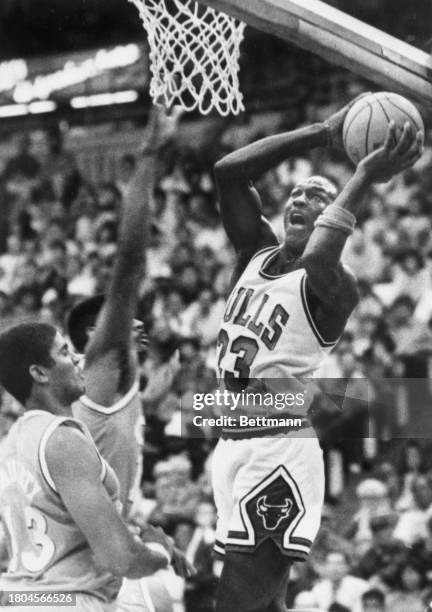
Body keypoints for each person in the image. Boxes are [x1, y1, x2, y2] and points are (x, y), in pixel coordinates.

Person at [212, 94, 423, 612]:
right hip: (231, 442)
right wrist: (323, 133)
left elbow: (320, 252)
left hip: (279, 446)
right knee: (265, 605)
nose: (302, 201)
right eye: (299, 194)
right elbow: (227, 171)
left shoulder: (336, 286)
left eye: (318, 197)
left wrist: (363, 177)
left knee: (236, 606)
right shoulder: (254, 254)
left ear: (339, 210)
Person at [67, 108, 184, 612]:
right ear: (95, 336)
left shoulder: (109, 390)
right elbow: (130, 262)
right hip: (88, 569)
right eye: (120, 318)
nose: (136, 323)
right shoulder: (105, 366)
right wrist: (150, 156)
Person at [0, 322, 186, 612]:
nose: (77, 358)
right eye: (64, 352)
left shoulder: (9, 446)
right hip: (70, 601)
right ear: (39, 373)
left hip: (23, 598)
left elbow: (59, 525)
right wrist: (161, 551)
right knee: (155, 591)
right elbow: (122, 560)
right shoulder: (61, 439)